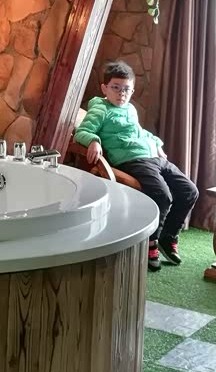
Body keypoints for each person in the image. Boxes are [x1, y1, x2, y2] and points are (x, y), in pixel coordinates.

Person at [75, 60, 199, 272]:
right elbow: (82, 131)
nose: (121, 94)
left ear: (132, 91)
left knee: (190, 191)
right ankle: (151, 242)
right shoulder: (101, 109)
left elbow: (139, 132)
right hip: (132, 160)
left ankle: (168, 237)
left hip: (152, 156)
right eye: (116, 88)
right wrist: (93, 140)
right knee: (162, 195)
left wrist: (156, 143)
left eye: (126, 89)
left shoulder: (130, 109)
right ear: (104, 88)